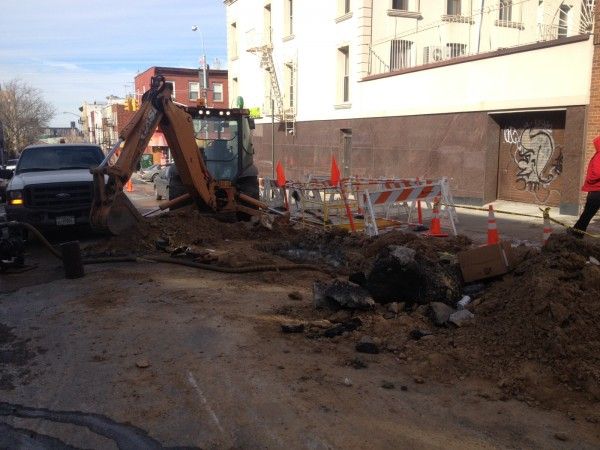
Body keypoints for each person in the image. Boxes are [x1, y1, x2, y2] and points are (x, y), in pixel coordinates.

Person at [572, 135, 600, 237]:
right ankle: (576, 234)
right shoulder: (599, 156)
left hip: (596, 191)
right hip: (597, 192)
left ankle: (576, 233)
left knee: (587, 215)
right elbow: (597, 173)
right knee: (587, 215)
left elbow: (595, 173)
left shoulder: (598, 155)